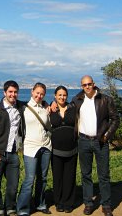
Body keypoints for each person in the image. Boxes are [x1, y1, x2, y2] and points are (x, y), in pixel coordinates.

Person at [72, 75, 120, 216]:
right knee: (86, 174)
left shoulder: (105, 99)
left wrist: (106, 136)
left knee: (104, 175)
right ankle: (88, 203)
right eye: (84, 85)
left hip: (101, 142)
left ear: (93, 84)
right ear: (82, 86)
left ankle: (106, 205)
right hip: (83, 141)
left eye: (89, 84)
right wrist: (51, 105)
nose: (87, 87)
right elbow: (67, 110)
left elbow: (115, 119)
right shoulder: (77, 100)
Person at [0, 80, 25, 216]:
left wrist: (48, 104)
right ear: (4, 93)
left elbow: (34, 104)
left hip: (13, 153)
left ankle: (10, 207)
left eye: (15, 92)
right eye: (10, 92)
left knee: (13, 185)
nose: (13, 94)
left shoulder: (21, 107)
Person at [17, 82, 52, 216]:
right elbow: (9, 100)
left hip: (46, 146)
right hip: (30, 147)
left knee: (42, 178)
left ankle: (40, 204)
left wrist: (49, 104)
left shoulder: (45, 107)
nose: (39, 95)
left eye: (42, 94)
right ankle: (22, 209)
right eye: (37, 93)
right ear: (32, 92)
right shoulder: (23, 107)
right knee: (29, 179)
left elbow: (49, 125)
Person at [50, 85, 78, 213]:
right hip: (55, 150)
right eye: (59, 95)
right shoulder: (50, 109)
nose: (62, 97)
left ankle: (68, 202)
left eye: (64, 95)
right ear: (55, 96)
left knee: (70, 177)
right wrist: (49, 103)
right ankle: (59, 202)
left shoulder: (73, 108)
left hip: (72, 149)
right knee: (58, 178)